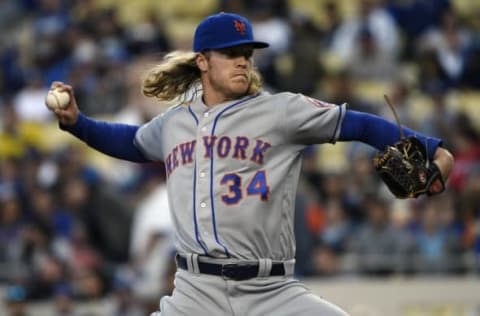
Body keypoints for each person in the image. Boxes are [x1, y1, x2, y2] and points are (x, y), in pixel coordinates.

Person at [48, 12, 454, 316]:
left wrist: (433, 147)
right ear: (203, 61)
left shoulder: (281, 112)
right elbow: (131, 142)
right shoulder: (175, 122)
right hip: (195, 293)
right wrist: (77, 125)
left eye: (247, 54)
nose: (242, 61)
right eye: (230, 54)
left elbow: (359, 123)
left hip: (272, 291)